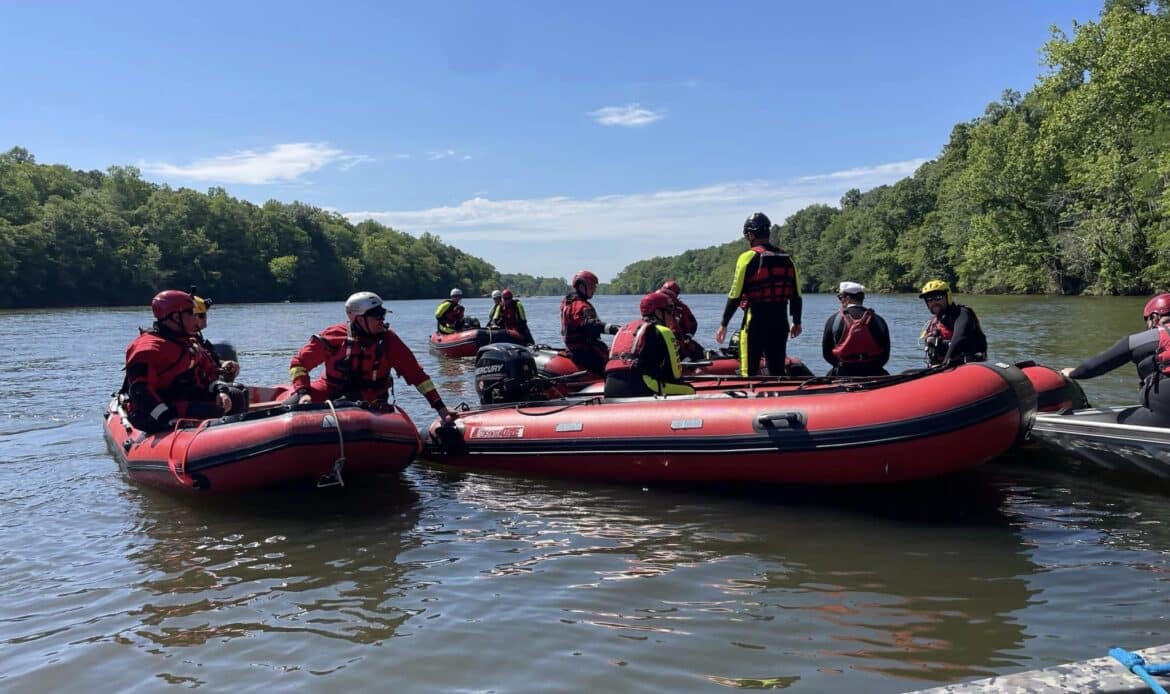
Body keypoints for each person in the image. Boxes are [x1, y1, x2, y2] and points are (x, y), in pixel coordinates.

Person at [289, 291, 455, 423]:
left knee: (351, 402)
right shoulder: (334, 336)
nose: (382, 320)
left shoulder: (389, 340)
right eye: (377, 316)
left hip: (371, 397)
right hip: (330, 390)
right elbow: (299, 363)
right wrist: (303, 393)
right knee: (291, 404)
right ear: (359, 319)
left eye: (382, 315)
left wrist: (440, 407)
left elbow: (417, 376)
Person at [122, 290, 241, 433]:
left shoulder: (189, 343)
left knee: (235, 396)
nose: (195, 319)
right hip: (153, 411)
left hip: (180, 399)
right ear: (175, 317)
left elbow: (210, 372)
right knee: (213, 410)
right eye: (191, 313)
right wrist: (166, 417)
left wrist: (220, 391)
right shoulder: (148, 349)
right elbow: (140, 391)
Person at [1060, 293, 1170, 426]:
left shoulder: (1145, 339)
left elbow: (1095, 366)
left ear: (1154, 317)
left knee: (1124, 418)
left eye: (1147, 320)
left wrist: (1073, 373)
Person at [714, 212, 803, 376]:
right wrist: (796, 321)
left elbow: (735, 294)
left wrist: (724, 324)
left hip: (756, 321)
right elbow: (796, 294)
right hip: (780, 321)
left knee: (749, 371)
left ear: (750, 235)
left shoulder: (747, 257)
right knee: (777, 371)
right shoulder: (787, 258)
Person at [604, 291, 696, 398]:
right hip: (639, 386)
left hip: (609, 387)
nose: (672, 316)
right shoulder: (664, 331)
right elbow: (676, 374)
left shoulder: (625, 329)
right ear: (658, 312)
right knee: (689, 390)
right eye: (669, 311)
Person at [821, 281, 890, 377]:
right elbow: (885, 355)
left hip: (843, 373)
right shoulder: (879, 320)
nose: (840, 300)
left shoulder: (833, 320)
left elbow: (827, 354)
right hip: (874, 372)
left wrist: (840, 366)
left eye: (840, 297)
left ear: (847, 298)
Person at [561, 269, 619, 376]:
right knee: (614, 367)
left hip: (576, 350)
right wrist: (616, 329)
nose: (594, 290)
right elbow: (591, 324)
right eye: (592, 287)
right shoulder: (580, 306)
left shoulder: (569, 302)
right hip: (585, 352)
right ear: (581, 287)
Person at [919, 279, 987, 367]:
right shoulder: (935, 322)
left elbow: (960, 337)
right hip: (941, 367)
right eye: (929, 299)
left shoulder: (961, 314)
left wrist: (944, 364)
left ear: (948, 297)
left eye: (938, 297)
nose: (934, 302)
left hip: (967, 366)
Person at [191, 294, 240, 382]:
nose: (205, 320)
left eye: (204, 315)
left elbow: (210, 360)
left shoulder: (196, 338)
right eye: (201, 315)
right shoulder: (179, 343)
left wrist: (224, 364)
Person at [659, 280, 705, 361]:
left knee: (698, 351)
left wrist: (687, 337)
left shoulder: (682, 308)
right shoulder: (657, 307)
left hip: (679, 341)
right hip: (663, 341)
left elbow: (693, 324)